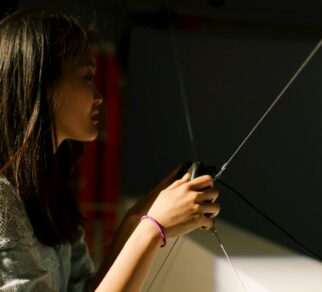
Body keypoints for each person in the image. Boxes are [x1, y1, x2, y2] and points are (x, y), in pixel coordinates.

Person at [0, 10, 220, 291]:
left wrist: (135, 220)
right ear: (41, 84)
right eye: (87, 77)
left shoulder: (51, 192)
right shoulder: (3, 201)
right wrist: (152, 229)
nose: (100, 97)